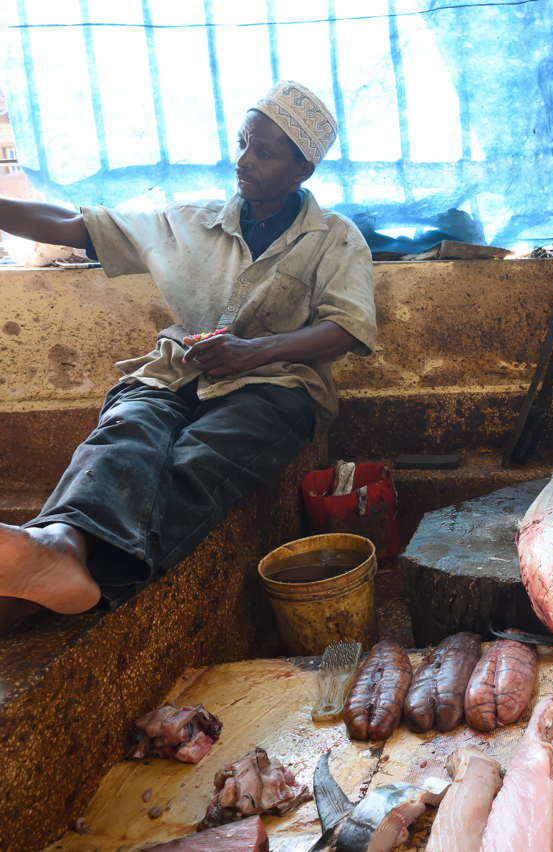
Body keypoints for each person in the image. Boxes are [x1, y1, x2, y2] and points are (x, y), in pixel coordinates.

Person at [0, 81, 377, 634]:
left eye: (264, 153)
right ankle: (59, 545)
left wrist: (255, 351)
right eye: (244, 143)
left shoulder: (336, 239)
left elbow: (346, 328)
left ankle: (42, 581)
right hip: (174, 372)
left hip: (276, 387)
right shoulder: (189, 222)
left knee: (194, 463)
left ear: (304, 171)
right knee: (124, 436)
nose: (243, 162)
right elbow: (69, 226)